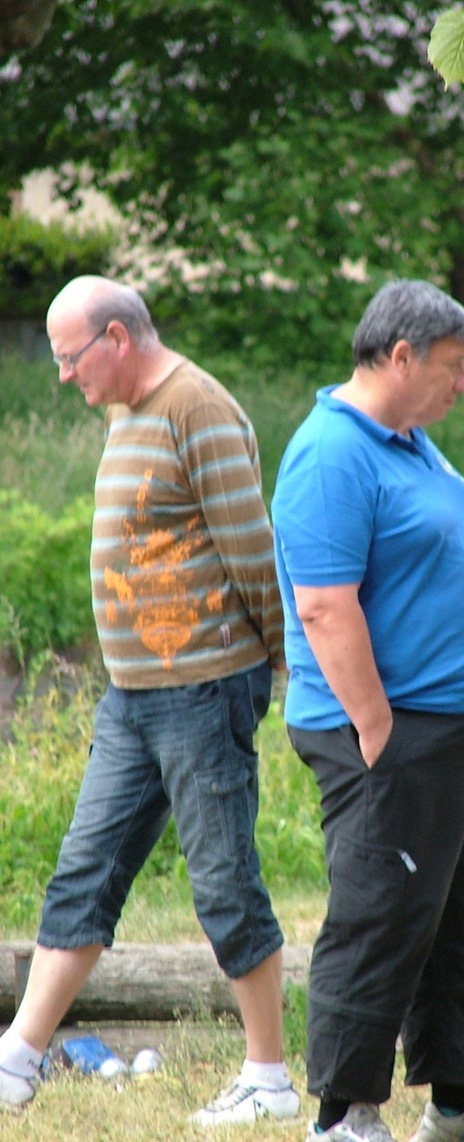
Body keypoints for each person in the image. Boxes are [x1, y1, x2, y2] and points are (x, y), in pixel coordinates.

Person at [0, 276, 300, 1128]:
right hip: (132, 698)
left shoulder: (197, 408)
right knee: (83, 871)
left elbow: (252, 550)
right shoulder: (125, 411)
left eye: (70, 357)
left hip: (203, 692)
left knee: (223, 885)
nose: (64, 376)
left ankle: (268, 1077)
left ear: (118, 339)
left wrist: (282, 669)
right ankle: (19, 1059)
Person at [271, 280, 464, 1142]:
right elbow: (322, 605)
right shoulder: (331, 453)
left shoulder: (409, 443)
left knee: (462, 915)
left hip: (462, 728)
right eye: (454, 368)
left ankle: (459, 1100)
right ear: (400, 357)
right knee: (382, 915)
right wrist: (377, 726)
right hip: (393, 731)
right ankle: (343, 1113)